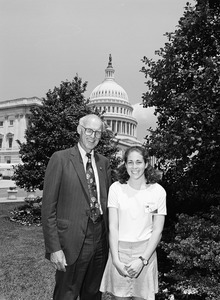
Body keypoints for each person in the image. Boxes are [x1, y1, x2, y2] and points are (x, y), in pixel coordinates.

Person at [42, 114, 112, 300]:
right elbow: (48, 208)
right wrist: (54, 248)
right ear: (79, 130)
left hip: (100, 240)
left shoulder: (104, 163)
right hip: (70, 241)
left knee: (93, 293)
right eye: (89, 130)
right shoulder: (61, 159)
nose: (93, 136)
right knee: (67, 294)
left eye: (98, 132)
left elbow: (107, 201)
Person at [100, 146, 167, 300]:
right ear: (125, 164)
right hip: (120, 252)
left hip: (145, 252)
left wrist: (142, 260)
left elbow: (157, 230)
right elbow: (113, 226)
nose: (134, 167)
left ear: (146, 164)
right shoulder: (116, 189)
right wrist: (116, 260)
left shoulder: (157, 192)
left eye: (138, 162)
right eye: (130, 162)